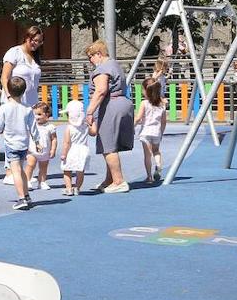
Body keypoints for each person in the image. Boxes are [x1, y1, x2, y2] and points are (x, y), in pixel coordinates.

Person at [0, 77, 39, 211]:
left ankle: (21, 199)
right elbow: (33, 127)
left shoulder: (5, 108)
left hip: (12, 145)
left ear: (8, 90)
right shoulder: (27, 109)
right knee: (21, 170)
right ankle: (26, 194)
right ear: (24, 91)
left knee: (16, 172)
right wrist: (37, 141)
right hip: (23, 144)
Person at [83, 41, 132, 193]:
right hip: (123, 103)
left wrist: (90, 111)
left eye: (91, 57)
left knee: (107, 145)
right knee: (111, 144)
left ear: (99, 54)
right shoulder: (115, 64)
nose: (90, 60)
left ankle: (119, 181)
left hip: (111, 106)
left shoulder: (102, 69)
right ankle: (109, 179)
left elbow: (101, 91)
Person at [0, 26, 44, 108]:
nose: (37, 44)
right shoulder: (14, 52)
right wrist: (9, 97)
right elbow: (4, 78)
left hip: (31, 103)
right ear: (27, 38)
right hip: (14, 102)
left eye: (40, 42)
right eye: (35, 40)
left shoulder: (36, 57)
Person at [135, 78, 167, 183]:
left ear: (146, 91)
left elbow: (138, 117)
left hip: (145, 132)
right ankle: (158, 165)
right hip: (156, 131)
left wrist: (133, 126)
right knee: (156, 151)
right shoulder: (162, 105)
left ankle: (149, 177)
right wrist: (161, 132)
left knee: (147, 155)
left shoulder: (144, 103)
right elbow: (163, 121)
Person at [60, 100, 89, 196]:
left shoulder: (69, 128)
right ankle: (77, 188)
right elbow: (93, 132)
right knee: (80, 171)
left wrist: (64, 153)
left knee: (67, 170)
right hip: (83, 150)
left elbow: (66, 143)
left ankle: (68, 188)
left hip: (72, 150)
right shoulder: (85, 126)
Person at [25, 102, 56, 190]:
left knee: (43, 167)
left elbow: (54, 139)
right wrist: (25, 147)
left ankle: (42, 182)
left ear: (46, 115)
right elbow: (26, 136)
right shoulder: (31, 126)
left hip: (45, 151)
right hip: (32, 151)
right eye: (34, 114)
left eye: (39, 114)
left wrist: (53, 150)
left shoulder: (50, 127)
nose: (36, 117)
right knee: (30, 165)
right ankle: (27, 181)